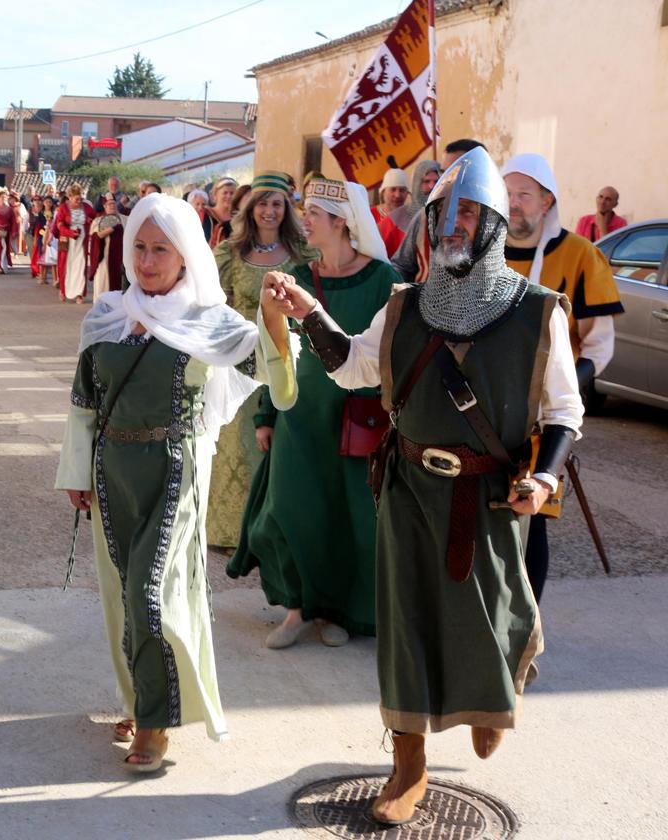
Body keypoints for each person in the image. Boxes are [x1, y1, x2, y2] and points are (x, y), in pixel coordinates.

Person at [261, 147, 583, 825]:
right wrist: (305, 313)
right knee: (403, 625)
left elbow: (564, 410)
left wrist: (546, 474)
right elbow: (352, 368)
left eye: (470, 212)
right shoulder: (405, 307)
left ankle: (488, 699)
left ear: (495, 225)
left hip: (490, 496)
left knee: (485, 616)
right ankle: (408, 763)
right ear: (429, 223)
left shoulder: (536, 311)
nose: (455, 224)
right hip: (407, 486)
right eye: (445, 213)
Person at [54, 193, 299, 773]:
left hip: (174, 469)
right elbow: (83, 403)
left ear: (187, 255)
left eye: (161, 249)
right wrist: (75, 473)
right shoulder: (106, 317)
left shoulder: (209, 323)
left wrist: (274, 320)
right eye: (139, 246)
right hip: (111, 470)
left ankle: (157, 722)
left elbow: (279, 385)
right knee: (121, 597)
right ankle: (140, 698)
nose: (146, 260)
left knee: (150, 595)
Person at [231, 177, 396, 646]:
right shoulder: (300, 277)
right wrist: (268, 414)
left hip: (355, 418)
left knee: (348, 515)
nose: (303, 219)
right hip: (299, 414)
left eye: (314, 214)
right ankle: (298, 609)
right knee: (290, 507)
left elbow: (388, 354)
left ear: (342, 223)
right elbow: (278, 348)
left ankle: (338, 612)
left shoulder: (385, 281)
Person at [501, 153, 623, 605]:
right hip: (481, 413)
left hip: (542, 422)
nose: (514, 204)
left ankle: (524, 630)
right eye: (508, 194)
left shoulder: (580, 255)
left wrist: (561, 397)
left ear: (547, 200)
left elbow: (599, 345)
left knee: (531, 526)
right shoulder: (482, 250)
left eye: (524, 195)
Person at [207, 172, 316, 551]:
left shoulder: (305, 253)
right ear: (250, 209)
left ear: (287, 209)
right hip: (242, 359)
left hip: (291, 357)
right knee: (237, 446)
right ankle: (233, 529)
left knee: (284, 444)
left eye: (277, 204)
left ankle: (278, 527)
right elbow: (212, 305)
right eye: (262, 204)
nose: (269, 211)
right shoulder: (229, 253)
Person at [392, 139, 486, 283]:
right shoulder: (425, 217)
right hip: (427, 302)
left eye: (455, 171)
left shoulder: (495, 221)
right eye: (443, 172)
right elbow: (401, 266)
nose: (446, 179)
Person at [52, 184, 96, 303]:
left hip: (82, 242)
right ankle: (63, 290)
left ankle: (79, 294)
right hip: (67, 242)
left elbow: (95, 217)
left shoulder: (86, 207)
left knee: (81, 266)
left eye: (80, 197)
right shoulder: (63, 208)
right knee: (66, 266)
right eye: (76, 198)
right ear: (70, 197)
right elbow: (59, 225)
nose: (78, 200)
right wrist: (70, 232)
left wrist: (89, 221)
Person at [88, 194, 124, 298]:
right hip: (104, 257)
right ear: (104, 206)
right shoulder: (98, 221)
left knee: (117, 284)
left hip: (119, 258)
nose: (112, 206)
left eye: (113, 203)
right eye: (109, 204)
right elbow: (95, 236)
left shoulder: (123, 219)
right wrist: (111, 229)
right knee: (102, 283)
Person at [389, 160, 441, 233]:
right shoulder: (394, 221)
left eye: (437, 181)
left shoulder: (452, 216)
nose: (432, 187)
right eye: (426, 181)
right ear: (417, 184)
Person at [374, 169, 409, 256]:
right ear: (383, 192)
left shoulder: (412, 217)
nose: (397, 195)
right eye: (393, 190)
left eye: (402, 190)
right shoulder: (369, 215)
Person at [201, 177, 237, 248]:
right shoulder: (205, 214)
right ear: (215, 195)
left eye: (232, 193)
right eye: (225, 193)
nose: (229, 196)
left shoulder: (238, 216)